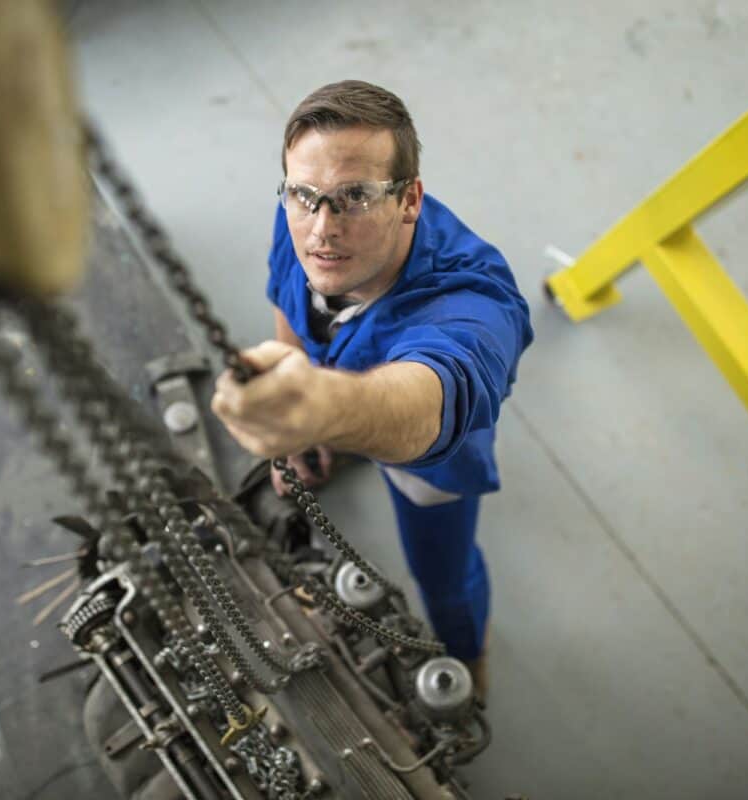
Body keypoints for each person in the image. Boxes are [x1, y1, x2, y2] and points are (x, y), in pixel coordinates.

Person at [211, 80, 533, 693]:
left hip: (425, 461)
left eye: (354, 197)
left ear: (409, 200)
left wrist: (320, 409)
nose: (321, 230)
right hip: (335, 405)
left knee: (442, 573)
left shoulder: (472, 299)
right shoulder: (302, 221)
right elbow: (289, 315)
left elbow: (432, 400)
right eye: (304, 195)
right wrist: (297, 403)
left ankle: (468, 655)